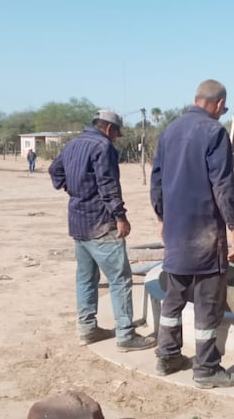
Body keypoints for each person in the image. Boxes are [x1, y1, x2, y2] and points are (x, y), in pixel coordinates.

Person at [150, 79, 234, 389]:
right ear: (218, 104)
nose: (223, 113)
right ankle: (206, 369)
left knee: (173, 298)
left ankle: (167, 356)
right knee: (208, 302)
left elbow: (157, 181)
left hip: (176, 233)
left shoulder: (170, 131)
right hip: (205, 235)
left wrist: (163, 218)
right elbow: (222, 185)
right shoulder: (214, 132)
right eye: (224, 108)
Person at [49, 110, 156, 352]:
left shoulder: (71, 144)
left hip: (78, 222)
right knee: (120, 279)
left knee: (86, 278)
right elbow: (108, 185)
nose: (116, 139)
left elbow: (55, 172)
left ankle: (87, 330)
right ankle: (126, 335)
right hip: (101, 223)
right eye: (117, 134)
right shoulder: (102, 146)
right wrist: (120, 217)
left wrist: (75, 190)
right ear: (109, 129)